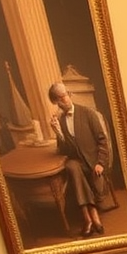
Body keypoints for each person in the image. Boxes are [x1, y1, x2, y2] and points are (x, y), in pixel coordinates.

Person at [48, 81, 109, 237]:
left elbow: (102, 141)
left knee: (74, 170)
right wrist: (59, 133)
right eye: (60, 98)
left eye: (66, 95)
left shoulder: (88, 113)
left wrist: (101, 163)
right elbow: (65, 151)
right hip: (78, 162)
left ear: (70, 95)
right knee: (71, 166)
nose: (65, 100)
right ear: (56, 102)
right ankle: (89, 217)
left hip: (93, 161)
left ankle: (89, 216)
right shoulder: (60, 120)